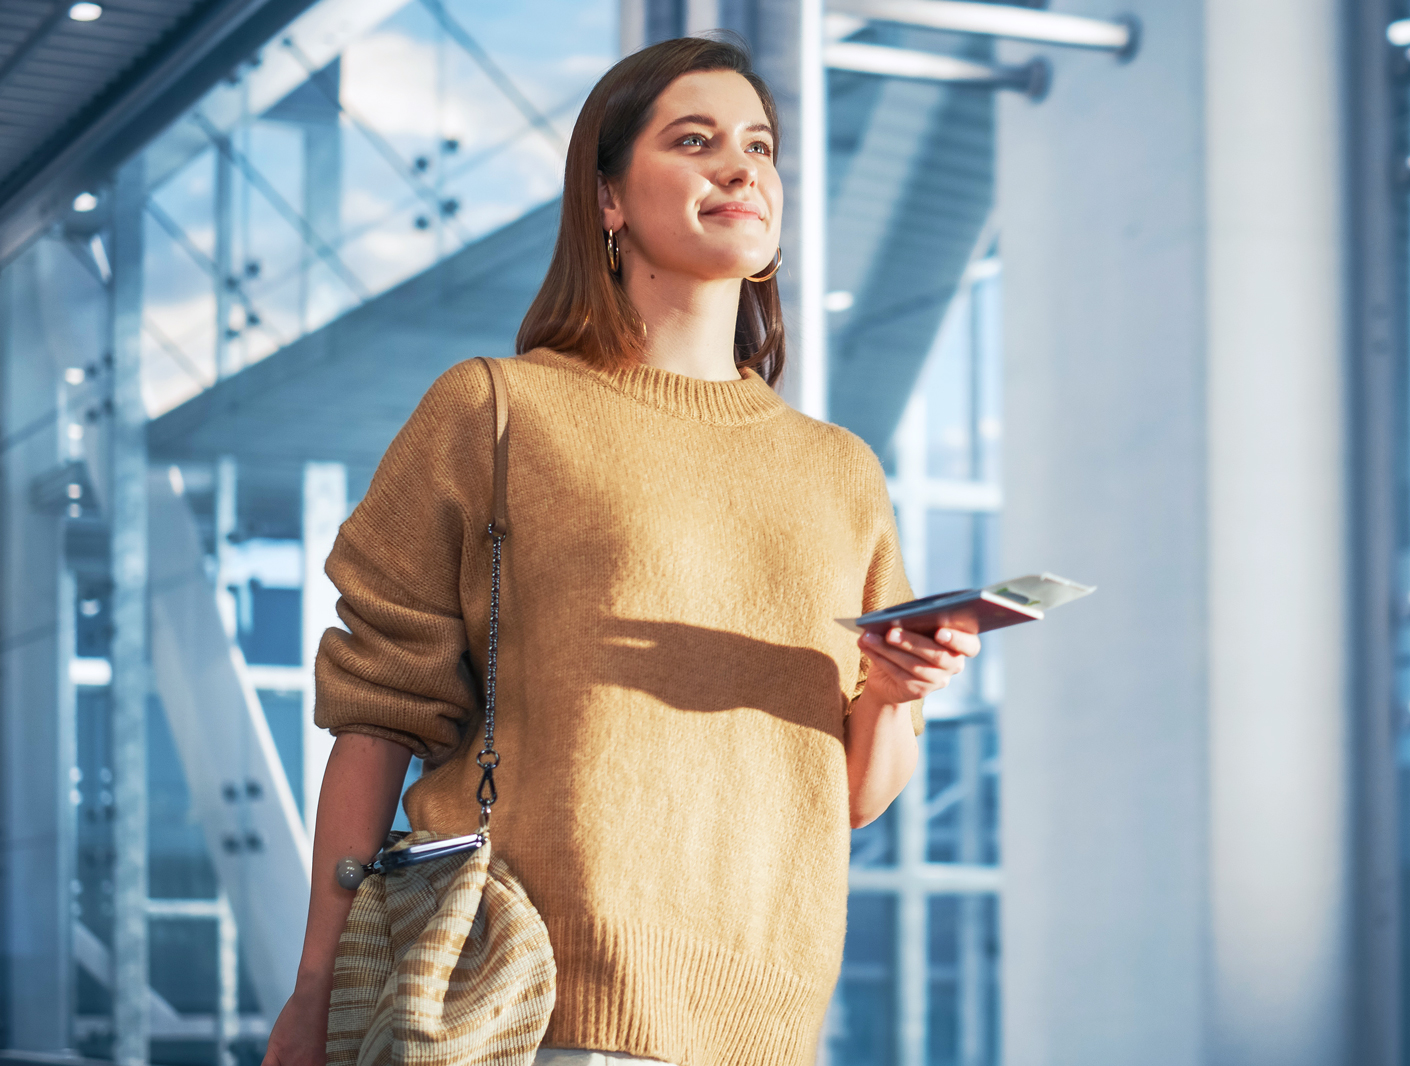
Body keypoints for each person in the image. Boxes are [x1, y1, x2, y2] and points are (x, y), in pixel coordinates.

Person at [262, 35, 980, 1066]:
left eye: (760, 146)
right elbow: (376, 715)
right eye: (696, 141)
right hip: (522, 1006)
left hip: (765, 1028)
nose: (742, 167)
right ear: (607, 198)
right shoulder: (499, 411)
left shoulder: (839, 472)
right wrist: (317, 990)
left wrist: (898, 689)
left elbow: (845, 800)